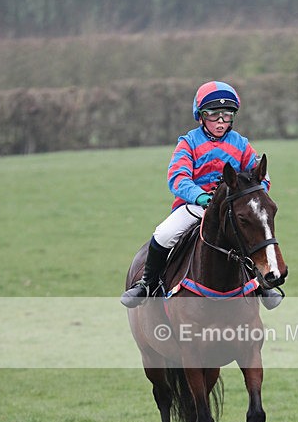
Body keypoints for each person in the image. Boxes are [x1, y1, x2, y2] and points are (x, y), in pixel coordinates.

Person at [121, 80, 282, 309]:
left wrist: (254, 198)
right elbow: (177, 178)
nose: (220, 121)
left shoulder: (242, 145)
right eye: (213, 115)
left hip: (230, 208)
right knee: (164, 234)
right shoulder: (188, 144)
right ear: (200, 116)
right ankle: (147, 284)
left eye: (226, 115)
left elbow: (260, 177)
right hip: (195, 206)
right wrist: (200, 197)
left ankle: (262, 285)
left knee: (250, 235)